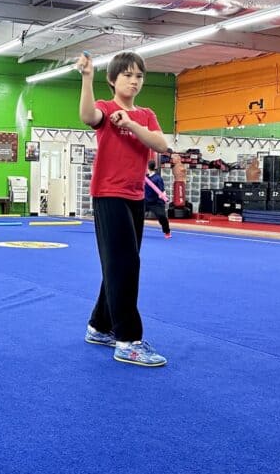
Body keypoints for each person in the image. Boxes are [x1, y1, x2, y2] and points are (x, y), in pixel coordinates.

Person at [77, 50, 169, 367]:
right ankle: (128, 340)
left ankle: (100, 326)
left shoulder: (144, 114)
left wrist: (130, 123)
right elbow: (88, 116)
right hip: (108, 194)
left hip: (134, 197)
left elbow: (160, 144)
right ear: (113, 80)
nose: (134, 80)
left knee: (120, 264)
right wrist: (87, 78)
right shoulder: (106, 108)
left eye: (139, 75)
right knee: (125, 265)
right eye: (127, 75)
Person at [144, 160, 171, 238]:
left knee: (162, 216)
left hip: (156, 202)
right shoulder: (144, 177)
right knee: (136, 215)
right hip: (145, 201)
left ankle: (167, 232)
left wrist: (163, 194)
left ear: (148, 168)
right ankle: (134, 232)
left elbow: (162, 190)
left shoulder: (158, 178)